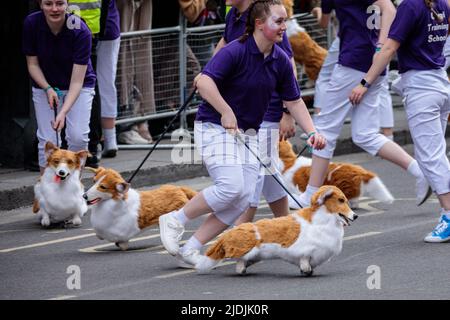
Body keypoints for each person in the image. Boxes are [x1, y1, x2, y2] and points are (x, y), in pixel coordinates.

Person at [158, 0, 326, 268]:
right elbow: (203, 81)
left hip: (247, 133)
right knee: (232, 187)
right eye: (278, 21)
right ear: (259, 24)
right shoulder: (237, 50)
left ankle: (191, 248)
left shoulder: (280, 59)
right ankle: (175, 219)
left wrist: (312, 131)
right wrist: (225, 111)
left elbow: (293, 100)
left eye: (284, 21)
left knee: (244, 198)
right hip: (213, 126)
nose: (285, 26)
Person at [296, 0, 431, 210]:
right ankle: (420, 171)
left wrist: (381, 45)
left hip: (355, 60)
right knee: (365, 134)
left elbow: (388, 8)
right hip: (369, 62)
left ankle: (311, 193)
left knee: (325, 128)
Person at [349, 0, 450, 242]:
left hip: (421, 90)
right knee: (438, 154)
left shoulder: (410, 6)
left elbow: (388, 49)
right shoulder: (442, 3)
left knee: (431, 156)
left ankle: (448, 216)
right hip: (440, 84)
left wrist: (365, 83)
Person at [198, 0, 298, 225]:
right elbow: (225, 43)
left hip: (265, 110)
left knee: (251, 179)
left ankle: (242, 237)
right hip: (244, 109)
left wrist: (286, 111)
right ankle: (289, 229)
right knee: (269, 172)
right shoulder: (232, 15)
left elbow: (288, 64)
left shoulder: (267, 22)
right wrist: (207, 74)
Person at [23, 0, 96, 174]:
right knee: (47, 140)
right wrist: (48, 89)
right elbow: (32, 64)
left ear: (67, 4)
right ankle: (45, 192)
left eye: (59, 3)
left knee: (77, 136)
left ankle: (73, 188)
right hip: (44, 85)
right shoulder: (32, 23)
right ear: (41, 4)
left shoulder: (80, 29)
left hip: (79, 85)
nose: (54, 9)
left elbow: (77, 81)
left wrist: (63, 111)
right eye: (48, 3)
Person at [97, 0, 120, 157]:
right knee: (107, 82)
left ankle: (98, 142)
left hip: (76, 24)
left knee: (83, 85)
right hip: (109, 23)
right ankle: (110, 139)